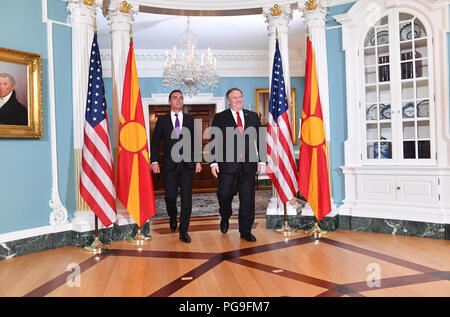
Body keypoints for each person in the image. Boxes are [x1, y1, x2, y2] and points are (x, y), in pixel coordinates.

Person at [210, 88, 266, 242]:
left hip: (248, 166)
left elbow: (260, 139)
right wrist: (213, 162)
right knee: (224, 195)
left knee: (248, 200)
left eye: (240, 97)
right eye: (234, 98)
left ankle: (245, 231)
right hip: (227, 166)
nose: (238, 100)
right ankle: (225, 215)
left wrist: (262, 160)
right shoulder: (220, 117)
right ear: (228, 101)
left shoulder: (253, 116)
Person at [150, 90, 202, 243]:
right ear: (169, 101)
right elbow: (155, 142)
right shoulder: (162, 120)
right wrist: (154, 161)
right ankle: (173, 216)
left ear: (183, 101)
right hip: (169, 164)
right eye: (175, 98)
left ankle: (184, 230)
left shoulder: (190, 119)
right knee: (170, 196)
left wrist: (198, 161)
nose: (178, 100)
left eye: (181, 98)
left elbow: (196, 142)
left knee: (187, 198)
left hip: (187, 165)